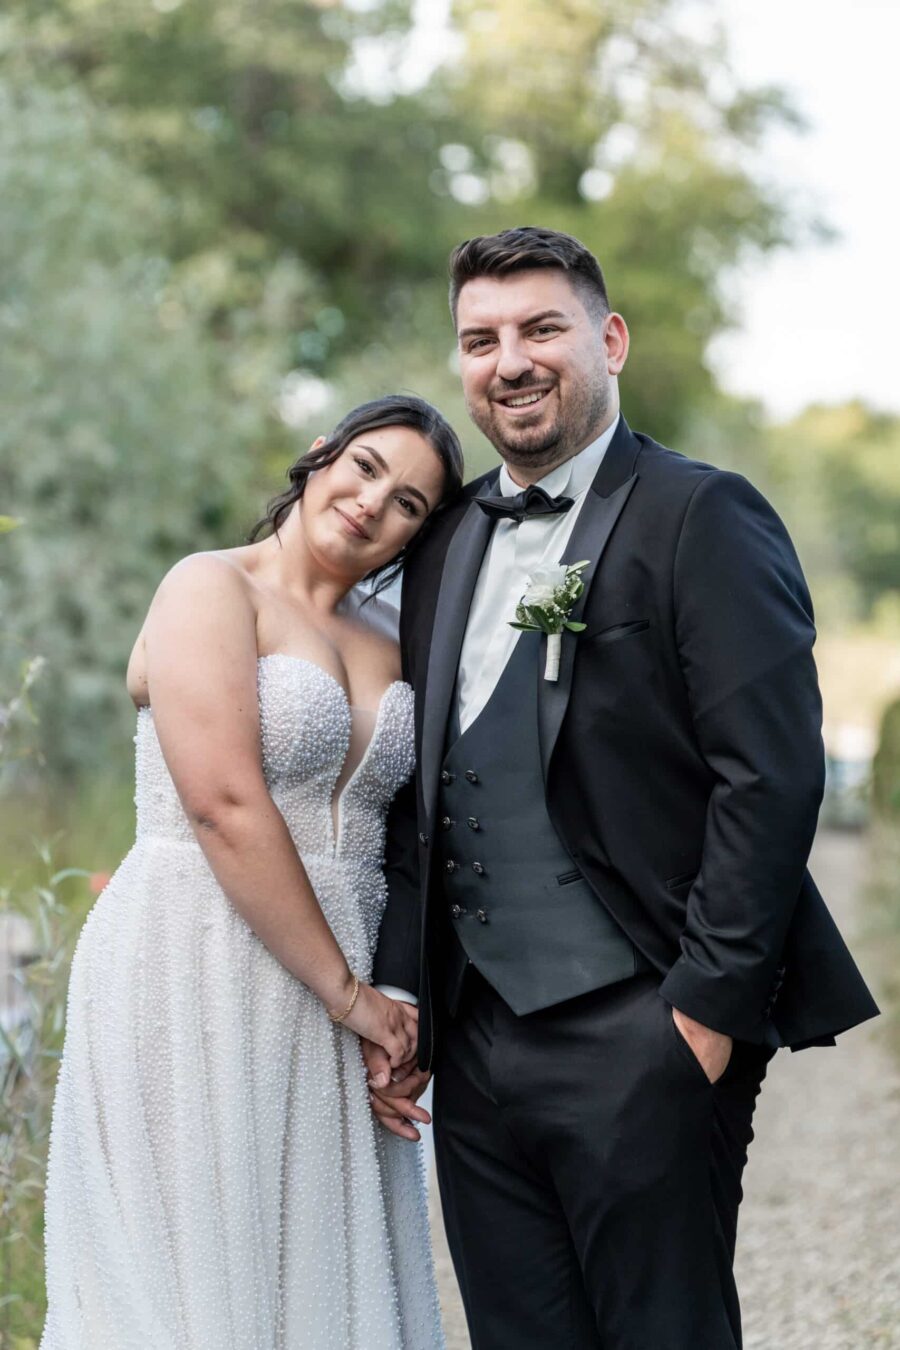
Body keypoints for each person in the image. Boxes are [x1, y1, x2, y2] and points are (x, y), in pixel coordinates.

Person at [365, 228, 879, 1349]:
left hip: (645, 1023)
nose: (511, 361)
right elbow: (423, 797)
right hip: (477, 1045)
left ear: (609, 339)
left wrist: (702, 1012)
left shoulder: (703, 514)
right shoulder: (445, 540)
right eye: (481, 339)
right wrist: (405, 996)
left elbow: (771, 772)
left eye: (542, 328)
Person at [40, 395, 463, 1350]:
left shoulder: (398, 639)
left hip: (346, 977)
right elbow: (223, 804)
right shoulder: (209, 587)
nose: (371, 502)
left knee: (319, 1266)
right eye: (363, 466)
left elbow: (416, 836)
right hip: (197, 956)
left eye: (408, 503)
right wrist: (349, 995)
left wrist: (393, 1004)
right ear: (319, 457)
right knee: (191, 1274)